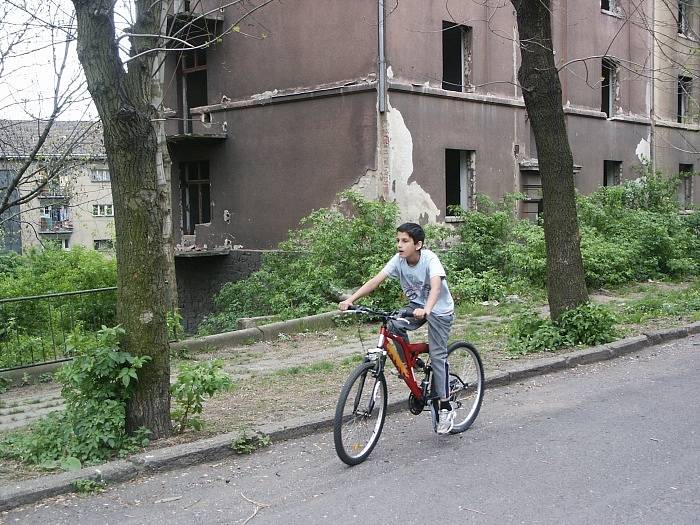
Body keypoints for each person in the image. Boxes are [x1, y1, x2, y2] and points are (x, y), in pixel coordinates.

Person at [338, 222, 456, 434]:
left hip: (438, 309)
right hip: (415, 307)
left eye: (405, 241)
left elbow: (436, 286)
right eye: (398, 240)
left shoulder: (430, 259)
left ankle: (446, 406)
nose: (399, 245)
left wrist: (427, 309)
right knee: (392, 324)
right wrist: (351, 300)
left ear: (418, 244)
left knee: (438, 355)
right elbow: (376, 281)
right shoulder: (399, 260)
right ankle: (410, 363)